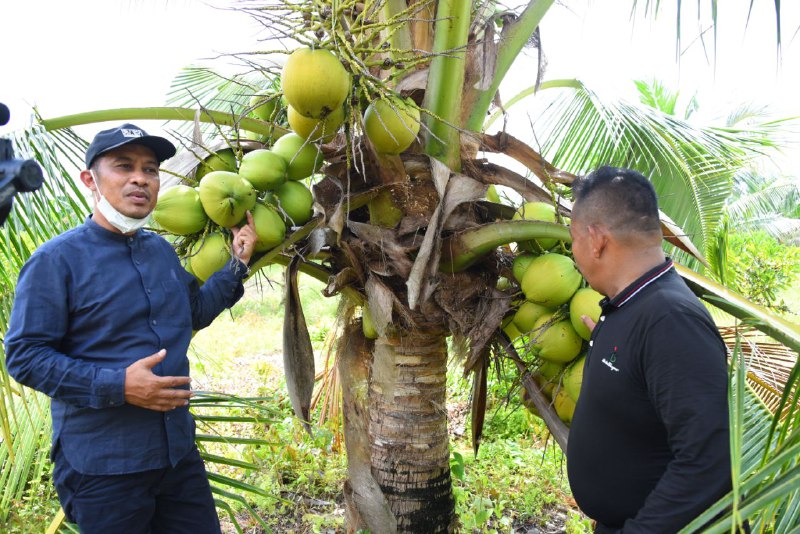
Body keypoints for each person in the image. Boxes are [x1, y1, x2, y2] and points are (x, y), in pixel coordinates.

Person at [4, 123, 257, 533]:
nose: (141, 178)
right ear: (91, 179)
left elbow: (192, 312)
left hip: (176, 457)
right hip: (103, 468)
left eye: (151, 169)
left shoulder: (159, 251)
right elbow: (25, 356)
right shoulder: (56, 260)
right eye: (124, 166)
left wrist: (237, 265)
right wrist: (118, 385)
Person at [566, 166, 731, 533]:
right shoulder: (630, 307)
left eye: (573, 238)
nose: (573, 250)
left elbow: (709, 461)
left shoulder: (670, 320)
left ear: (596, 240)